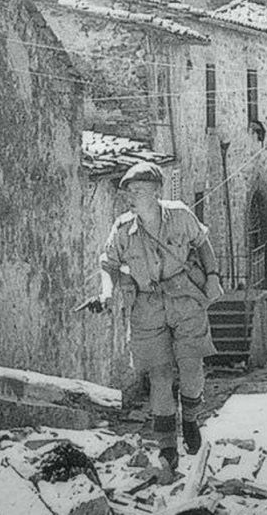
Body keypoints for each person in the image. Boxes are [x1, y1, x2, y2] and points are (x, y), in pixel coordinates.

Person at [83, 161, 224, 470]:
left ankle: (190, 417)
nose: (131, 197)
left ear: (156, 192)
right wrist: (106, 295)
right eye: (128, 192)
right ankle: (167, 446)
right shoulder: (122, 229)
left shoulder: (181, 215)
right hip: (147, 305)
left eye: (138, 191)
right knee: (159, 377)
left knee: (191, 367)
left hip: (184, 297)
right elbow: (108, 265)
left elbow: (202, 244)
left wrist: (212, 275)